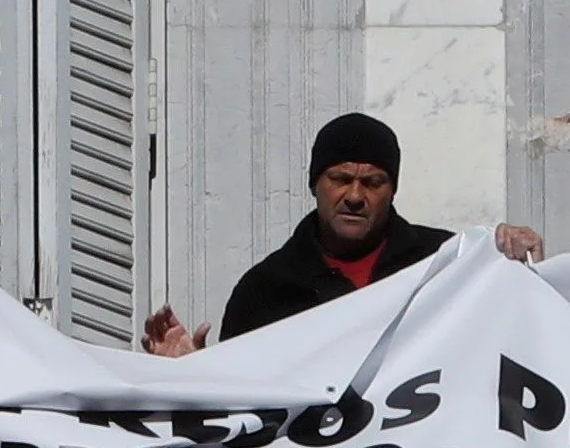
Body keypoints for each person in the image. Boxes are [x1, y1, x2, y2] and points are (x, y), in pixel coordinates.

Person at [143, 115, 543, 354]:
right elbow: (242, 411)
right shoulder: (265, 291)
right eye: (341, 179)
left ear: (393, 189)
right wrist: (190, 378)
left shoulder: (449, 263)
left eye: (373, 181)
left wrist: (516, 265)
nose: (355, 196)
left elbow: (520, 346)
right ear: (315, 183)